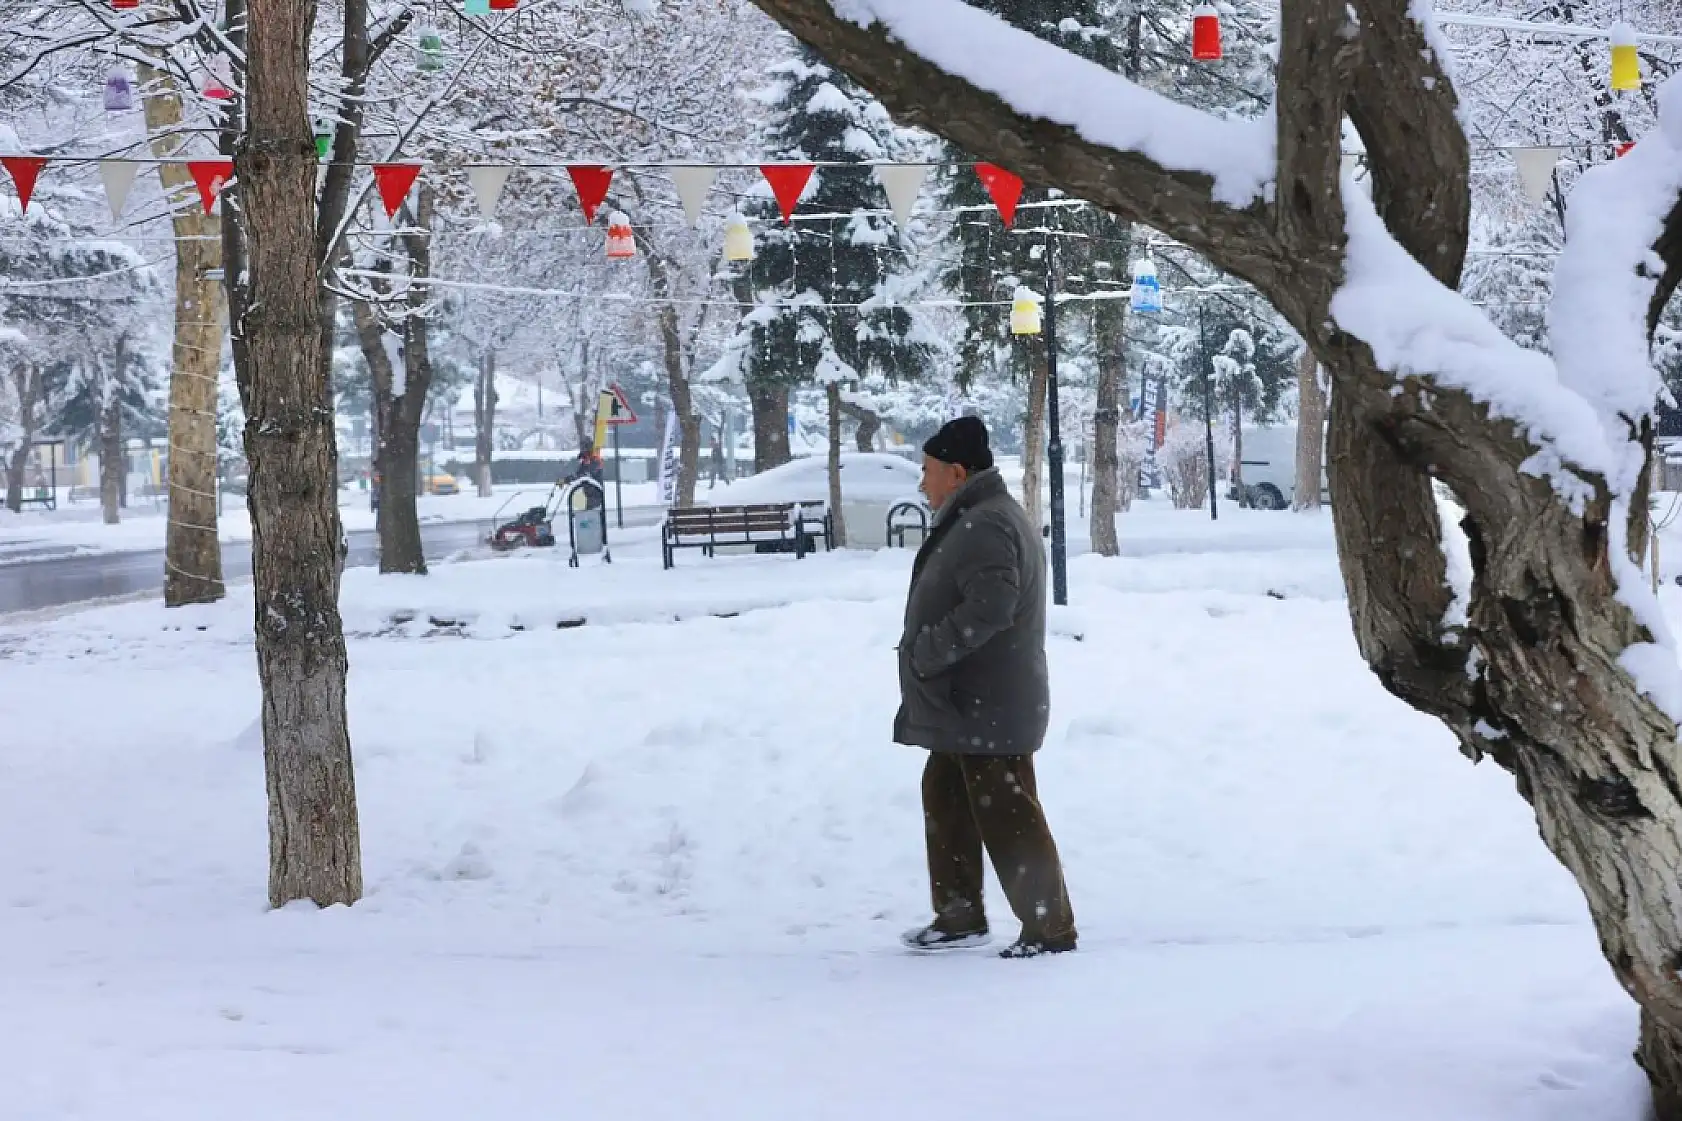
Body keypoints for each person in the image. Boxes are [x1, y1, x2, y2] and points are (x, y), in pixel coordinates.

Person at [895, 416, 1077, 959]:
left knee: (1007, 811)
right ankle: (959, 917)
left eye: (927, 472)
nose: (922, 484)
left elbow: (991, 607)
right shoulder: (976, 516)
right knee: (946, 797)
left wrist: (929, 649)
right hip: (970, 705)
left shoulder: (987, 524)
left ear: (956, 472)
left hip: (988, 703)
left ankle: (1049, 928)